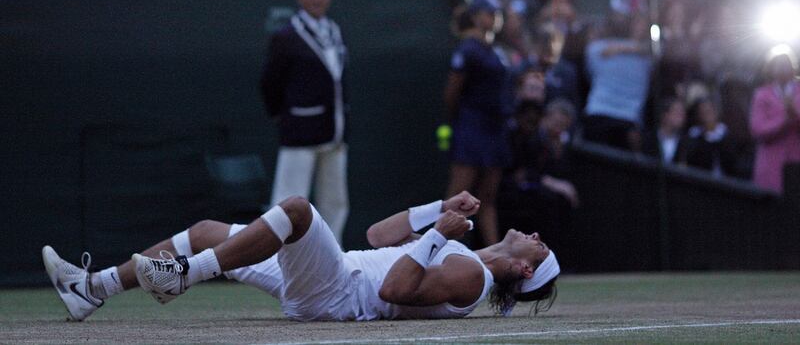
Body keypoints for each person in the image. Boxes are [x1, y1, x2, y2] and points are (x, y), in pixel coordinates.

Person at [42, 191, 560, 322]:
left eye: (540, 245)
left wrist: (434, 238)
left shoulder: (473, 277)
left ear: (525, 269)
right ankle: (94, 289)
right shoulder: (461, 252)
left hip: (338, 293)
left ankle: (180, 278)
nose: (534, 234)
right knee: (205, 231)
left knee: (297, 209)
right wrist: (437, 211)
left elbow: (393, 291)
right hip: (337, 273)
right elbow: (379, 236)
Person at [260, 0, 349, 243]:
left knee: (334, 199)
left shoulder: (334, 32)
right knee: (289, 198)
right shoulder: (286, 36)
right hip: (300, 128)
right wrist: (282, 115)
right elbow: (270, 81)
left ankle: (332, 256)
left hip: (333, 129)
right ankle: (277, 255)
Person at [444, 0, 513, 246]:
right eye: (488, 13)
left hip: (495, 130)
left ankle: (495, 252)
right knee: (458, 196)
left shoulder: (497, 50)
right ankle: (440, 253)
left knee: (487, 197)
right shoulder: (467, 49)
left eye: (497, 13)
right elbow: (451, 93)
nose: (494, 18)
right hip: (472, 127)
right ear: (475, 16)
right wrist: (463, 121)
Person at [582, 14, 653, 151]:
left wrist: (622, 48)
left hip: (608, 115)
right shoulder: (647, 58)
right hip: (617, 117)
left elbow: (589, 74)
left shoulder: (597, 50)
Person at [749, 46, 800, 192]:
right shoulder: (761, 95)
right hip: (770, 168)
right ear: (771, 69)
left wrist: (794, 115)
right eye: (778, 64)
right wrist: (784, 121)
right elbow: (757, 129)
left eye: (786, 63)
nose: (783, 68)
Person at [641, 97, 688, 164]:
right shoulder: (647, 137)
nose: (682, 117)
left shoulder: (685, 144)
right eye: (678, 113)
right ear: (665, 115)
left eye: (683, 114)